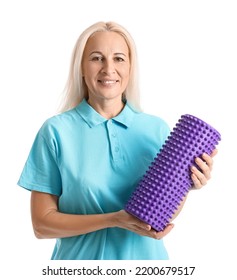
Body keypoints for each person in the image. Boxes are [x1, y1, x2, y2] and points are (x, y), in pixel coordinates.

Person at [17, 21, 217, 260]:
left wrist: (185, 184)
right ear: (81, 67)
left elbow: (158, 217)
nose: (108, 69)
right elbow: (42, 225)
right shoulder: (56, 131)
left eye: (119, 58)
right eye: (96, 58)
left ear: (131, 68)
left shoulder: (156, 129)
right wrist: (114, 219)